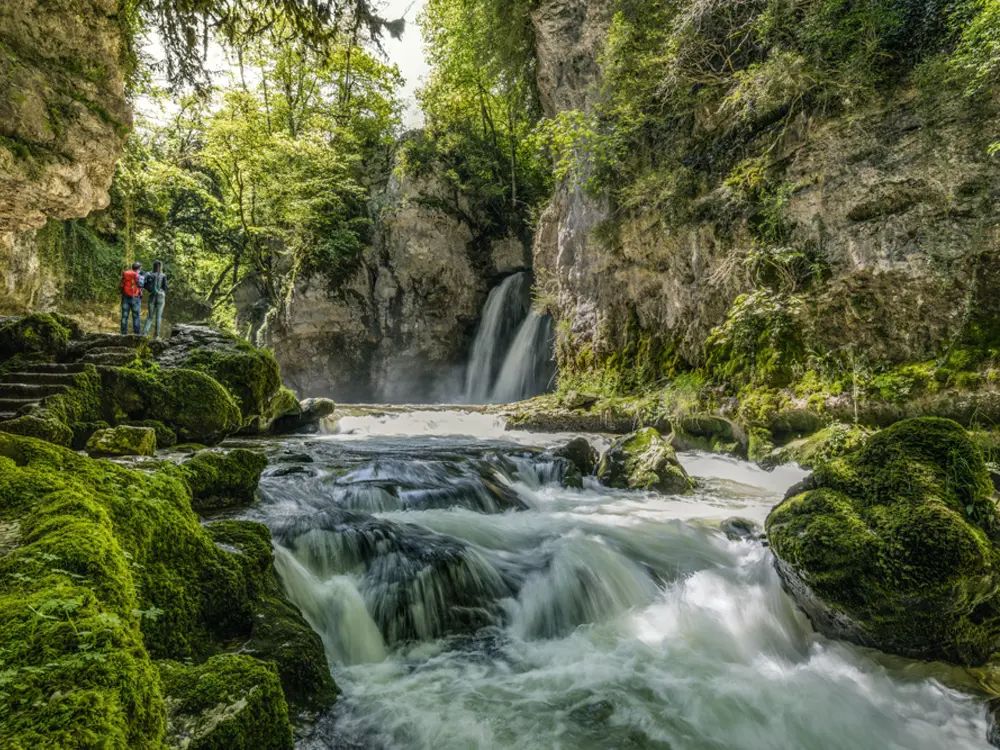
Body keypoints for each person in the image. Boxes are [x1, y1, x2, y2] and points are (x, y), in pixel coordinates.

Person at [142, 260, 168, 338]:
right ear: (161, 266)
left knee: (150, 316)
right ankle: (156, 335)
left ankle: (144, 333)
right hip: (161, 297)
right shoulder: (163, 275)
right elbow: (165, 287)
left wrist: (150, 289)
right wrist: (163, 292)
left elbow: (144, 285)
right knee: (158, 317)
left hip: (152, 296)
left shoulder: (149, 274)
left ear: (153, 266)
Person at [119, 262, 143, 335]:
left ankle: (123, 333)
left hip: (125, 297)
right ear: (138, 269)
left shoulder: (126, 273)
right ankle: (136, 333)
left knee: (124, 316)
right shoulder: (137, 275)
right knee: (136, 316)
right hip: (135, 298)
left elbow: (121, 285)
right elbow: (140, 285)